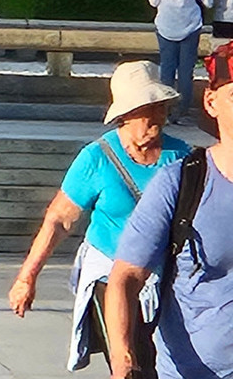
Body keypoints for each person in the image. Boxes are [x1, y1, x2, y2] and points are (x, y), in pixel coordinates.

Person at [8, 61, 190, 376]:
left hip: (164, 278)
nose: (160, 116)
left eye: (163, 107)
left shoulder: (182, 156)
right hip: (109, 274)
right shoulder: (96, 158)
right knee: (130, 364)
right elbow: (58, 220)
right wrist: (27, 279)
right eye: (151, 108)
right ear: (128, 113)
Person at [106, 42, 233, 379]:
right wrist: (123, 360)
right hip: (193, 371)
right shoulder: (182, 182)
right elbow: (126, 277)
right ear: (211, 102)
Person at [148, 0, 213, 123]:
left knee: (167, 68)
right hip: (191, 25)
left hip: (166, 24)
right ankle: (183, 112)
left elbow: (153, 0)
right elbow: (209, 2)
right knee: (186, 70)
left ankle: (165, 111)